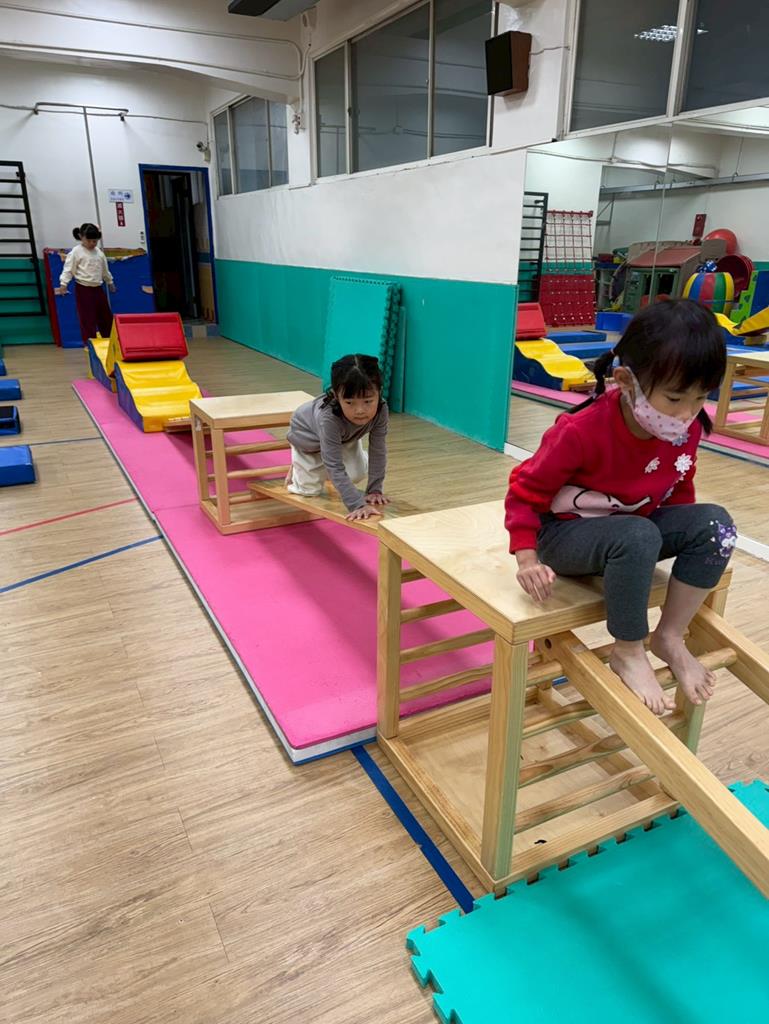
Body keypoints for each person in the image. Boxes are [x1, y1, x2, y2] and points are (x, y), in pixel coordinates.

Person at [505, 299, 736, 715]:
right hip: (564, 537)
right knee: (637, 533)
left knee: (716, 524)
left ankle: (669, 637)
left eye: (701, 397)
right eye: (674, 398)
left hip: (632, 532)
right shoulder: (580, 431)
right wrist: (526, 559)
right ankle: (628, 649)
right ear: (627, 381)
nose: (687, 413)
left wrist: (685, 540)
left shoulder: (685, 429)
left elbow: (678, 489)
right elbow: (525, 492)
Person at [286, 353, 389, 522]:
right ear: (335, 395)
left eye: (368, 401)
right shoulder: (329, 418)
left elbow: (378, 450)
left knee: (356, 475)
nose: (360, 410)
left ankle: (349, 459)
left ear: (379, 392)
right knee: (309, 490)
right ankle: (298, 467)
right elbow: (333, 464)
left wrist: (374, 490)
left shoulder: (381, 409)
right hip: (307, 439)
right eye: (349, 402)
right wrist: (357, 505)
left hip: (344, 438)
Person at [54, 223, 115, 344]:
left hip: (98, 288)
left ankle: (109, 340)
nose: (92, 243)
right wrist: (63, 284)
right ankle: (89, 343)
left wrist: (110, 281)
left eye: (95, 241)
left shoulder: (99, 253)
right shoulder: (76, 252)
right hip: (83, 289)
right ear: (81, 237)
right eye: (89, 241)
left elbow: (104, 270)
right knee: (87, 317)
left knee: (105, 316)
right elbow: (68, 269)